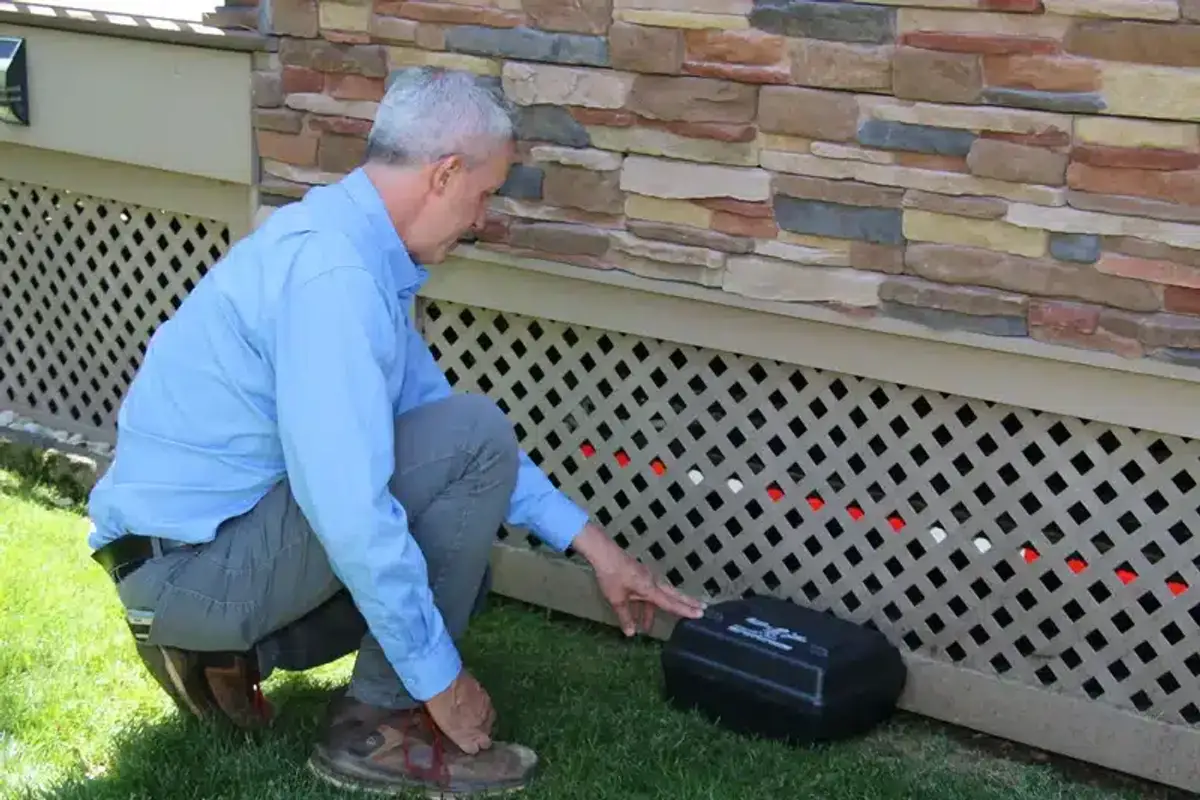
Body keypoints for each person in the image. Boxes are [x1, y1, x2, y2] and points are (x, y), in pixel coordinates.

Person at [85, 66, 706, 796]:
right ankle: (377, 728)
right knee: (462, 458)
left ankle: (223, 652)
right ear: (444, 174)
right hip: (190, 570)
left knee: (458, 543)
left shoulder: (350, 252)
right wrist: (438, 681)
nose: (481, 219)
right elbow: (354, 510)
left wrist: (597, 549)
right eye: (483, 195)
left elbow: (434, 428)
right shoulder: (335, 279)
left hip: (181, 560)